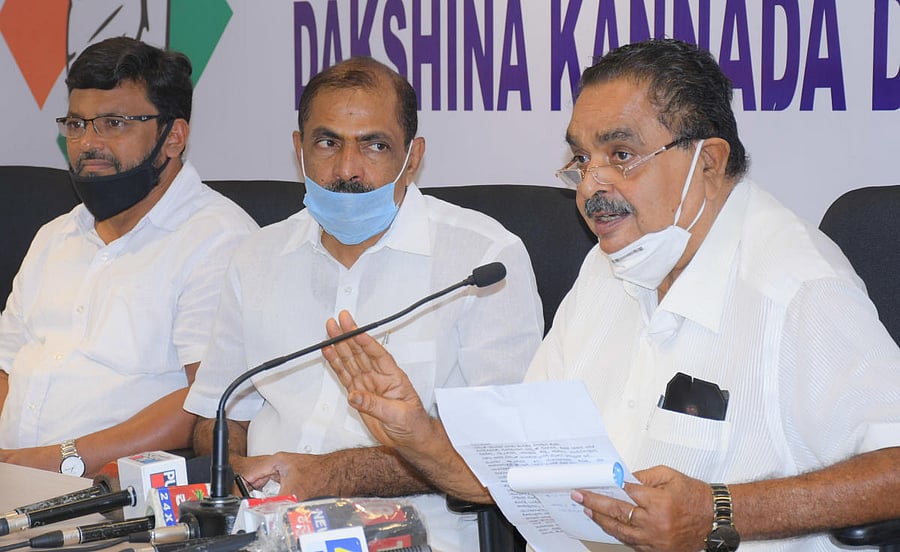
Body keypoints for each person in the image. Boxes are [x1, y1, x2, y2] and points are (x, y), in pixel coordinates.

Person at [321, 39, 900, 552]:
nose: (593, 184)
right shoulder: (612, 263)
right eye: (582, 159)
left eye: (620, 155)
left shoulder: (795, 286)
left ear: (709, 162)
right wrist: (414, 433)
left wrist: (720, 513)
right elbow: (522, 472)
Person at [183, 57, 544, 551]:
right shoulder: (256, 256)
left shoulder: (481, 260)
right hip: (261, 531)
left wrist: (331, 474)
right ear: (298, 149)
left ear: (412, 157)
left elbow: (501, 451)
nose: (347, 170)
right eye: (327, 142)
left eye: (374, 145)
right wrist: (234, 467)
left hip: (411, 535)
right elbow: (217, 416)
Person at [0, 37, 258, 477]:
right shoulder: (55, 235)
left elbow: (208, 401)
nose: (87, 144)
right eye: (77, 124)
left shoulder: (219, 240)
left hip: (114, 499)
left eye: (113, 123)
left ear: (173, 138)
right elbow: (6, 369)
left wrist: (58, 461)